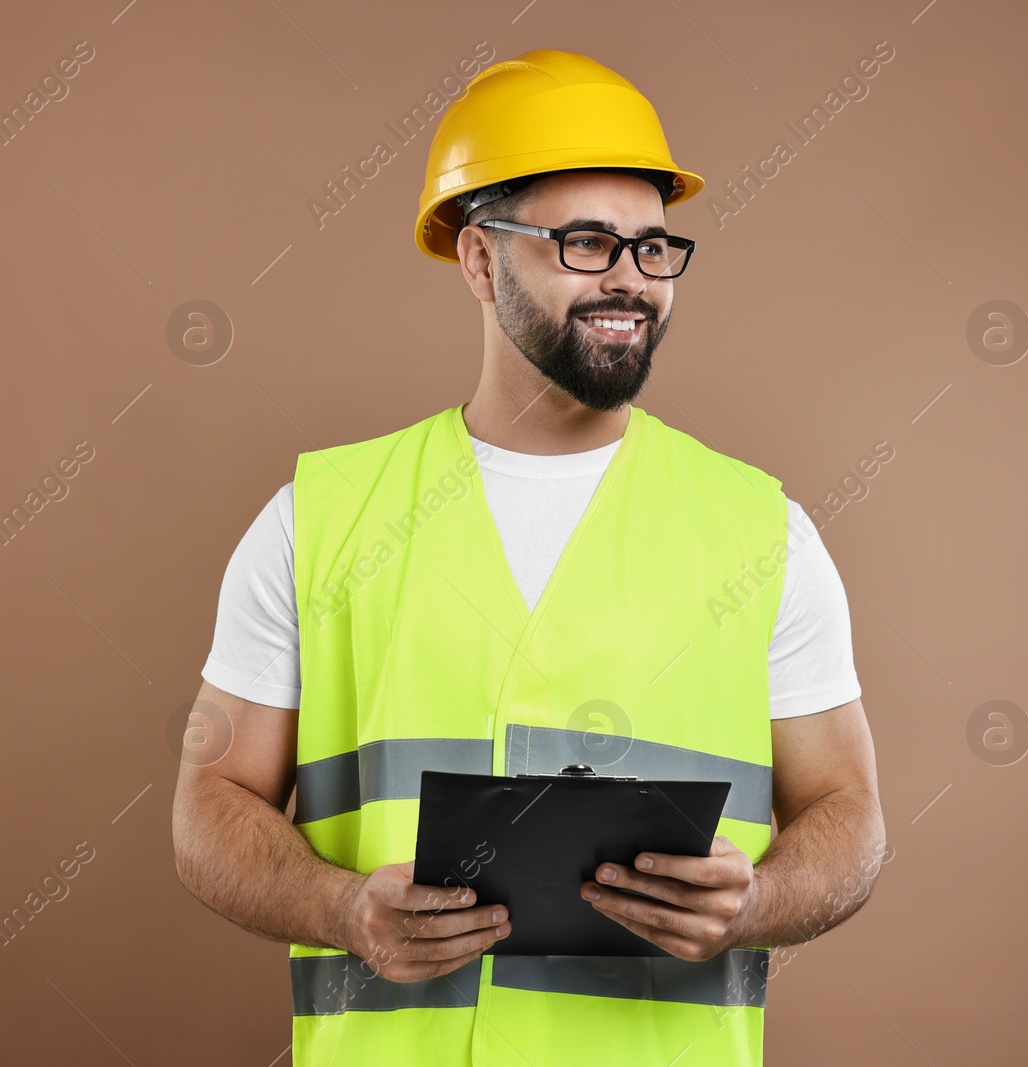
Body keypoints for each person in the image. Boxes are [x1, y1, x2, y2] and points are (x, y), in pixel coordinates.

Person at [171, 48, 886, 1066]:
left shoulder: (762, 532)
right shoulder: (314, 520)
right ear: (477, 257)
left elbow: (850, 817)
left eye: (652, 247)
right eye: (586, 244)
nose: (630, 281)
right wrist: (339, 906)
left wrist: (757, 900)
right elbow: (209, 806)